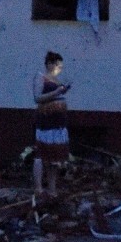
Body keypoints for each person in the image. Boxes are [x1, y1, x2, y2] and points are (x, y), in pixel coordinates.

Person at [33, 50, 71, 197]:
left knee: (55, 157)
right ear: (49, 64)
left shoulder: (56, 81)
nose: (59, 69)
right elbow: (37, 98)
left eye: (60, 67)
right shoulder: (40, 77)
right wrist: (56, 93)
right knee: (41, 154)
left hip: (59, 123)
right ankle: (38, 188)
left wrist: (63, 90)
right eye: (57, 66)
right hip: (46, 121)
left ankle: (52, 189)